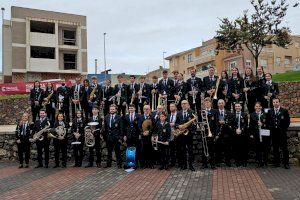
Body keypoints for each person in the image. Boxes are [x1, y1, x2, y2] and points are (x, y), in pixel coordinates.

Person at [267, 98, 290, 169]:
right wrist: (271, 128)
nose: (275, 103)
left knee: (284, 148)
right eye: (274, 102)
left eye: (277, 102)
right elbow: (268, 121)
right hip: (274, 133)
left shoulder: (284, 111)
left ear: (279, 102)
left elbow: (287, 122)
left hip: (282, 133)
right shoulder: (270, 111)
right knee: (275, 148)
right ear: (272, 103)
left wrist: (283, 129)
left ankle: (286, 163)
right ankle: (277, 163)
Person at [176, 100, 196, 171]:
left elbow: (194, 124)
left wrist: (190, 130)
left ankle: (191, 165)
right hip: (181, 135)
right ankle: (183, 165)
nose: (184, 105)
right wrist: (179, 126)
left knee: (190, 150)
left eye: (185, 103)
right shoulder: (178, 113)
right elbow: (176, 123)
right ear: (181, 105)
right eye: (182, 104)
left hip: (189, 134)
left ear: (188, 104)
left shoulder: (192, 112)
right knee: (182, 150)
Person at [249, 102, 269, 168]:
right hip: (256, 134)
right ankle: (259, 162)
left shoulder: (265, 114)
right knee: (258, 148)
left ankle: (265, 161)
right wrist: (251, 133)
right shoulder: (252, 114)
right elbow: (251, 125)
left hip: (264, 134)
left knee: (265, 148)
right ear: (254, 107)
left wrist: (263, 124)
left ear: (261, 107)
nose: (258, 108)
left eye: (259, 106)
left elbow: (268, 124)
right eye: (256, 106)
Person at [215, 99, 233, 167]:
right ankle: (218, 161)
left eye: (222, 103)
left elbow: (231, 122)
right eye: (219, 103)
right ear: (217, 104)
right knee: (218, 148)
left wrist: (225, 122)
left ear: (224, 104)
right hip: (217, 133)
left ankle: (227, 161)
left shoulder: (228, 112)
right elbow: (213, 123)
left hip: (226, 133)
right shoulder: (215, 112)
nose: (221, 104)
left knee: (227, 148)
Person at [201, 98, 217, 169]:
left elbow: (216, 122)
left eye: (208, 102)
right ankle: (204, 164)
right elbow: (200, 122)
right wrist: (201, 126)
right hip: (204, 132)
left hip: (211, 132)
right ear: (204, 104)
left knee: (212, 149)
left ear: (210, 103)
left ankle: (212, 164)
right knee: (204, 148)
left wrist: (215, 133)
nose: (207, 104)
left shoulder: (215, 111)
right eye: (205, 103)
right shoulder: (202, 111)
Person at [232, 102, 248, 167]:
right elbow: (231, 124)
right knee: (236, 148)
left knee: (243, 148)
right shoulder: (232, 114)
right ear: (235, 107)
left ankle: (244, 162)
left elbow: (246, 124)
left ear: (241, 107)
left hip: (243, 134)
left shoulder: (244, 114)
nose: (237, 107)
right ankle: (237, 162)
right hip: (235, 134)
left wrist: (241, 129)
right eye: (236, 106)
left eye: (239, 106)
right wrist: (235, 129)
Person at [167, 103, 179, 167]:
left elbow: (181, 123)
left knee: (179, 149)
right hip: (170, 134)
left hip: (178, 133)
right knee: (171, 149)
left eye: (172, 106)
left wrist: (175, 125)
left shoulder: (179, 114)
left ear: (176, 107)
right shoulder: (168, 115)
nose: (171, 107)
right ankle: (172, 162)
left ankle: (180, 163)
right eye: (170, 106)